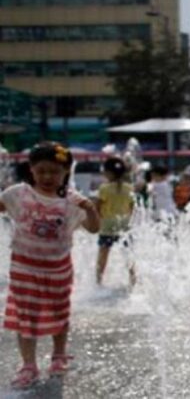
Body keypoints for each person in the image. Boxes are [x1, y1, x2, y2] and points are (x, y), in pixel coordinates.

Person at [0, 142, 100, 389]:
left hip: (58, 268)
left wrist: (91, 209)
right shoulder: (18, 194)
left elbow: (94, 228)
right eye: (42, 170)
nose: (47, 177)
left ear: (66, 172)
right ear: (31, 170)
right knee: (26, 316)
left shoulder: (72, 201)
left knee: (59, 314)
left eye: (54, 172)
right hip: (24, 266)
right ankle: (28, 365)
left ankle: (58, 355)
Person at [95, 157, 135, 286]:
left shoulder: (104, 188)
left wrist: (98, 218)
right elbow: (132, 207)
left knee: (103, 253)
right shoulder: (129, 188)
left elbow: (98, 206)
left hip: (107, 225)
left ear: (109, 173)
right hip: (124, 225)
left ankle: (99, 281)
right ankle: (133, 278)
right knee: (128, 253)